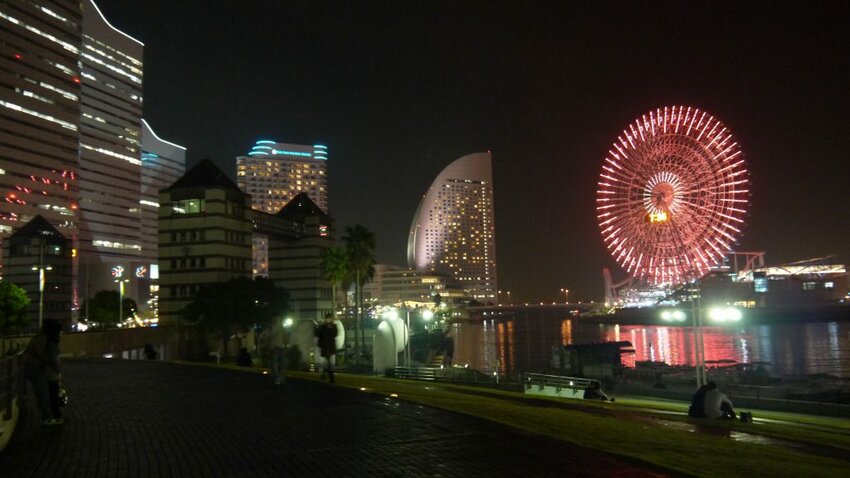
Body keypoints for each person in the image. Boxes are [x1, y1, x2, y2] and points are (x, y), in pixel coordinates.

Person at [23, 319, 64, 425]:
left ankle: (47, 416)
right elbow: (44, 354)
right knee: (43, 393)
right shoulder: (45, 339)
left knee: (43, 393)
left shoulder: (40, 337)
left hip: (31, 367)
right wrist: (54, 366)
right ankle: (47, 418)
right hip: (34, 368)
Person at [262, 320, 288, 385]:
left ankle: (280, 378)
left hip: (280, 347)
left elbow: (285, 336)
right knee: (275, 365)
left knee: (282, 364)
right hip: (274, 348)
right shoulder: (270, 329)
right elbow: (267, 338)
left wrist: (286, 345)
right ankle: (277, 378)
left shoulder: (281, 328)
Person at [315, 313, 338, 383]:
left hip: (329, 347)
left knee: (328, 363)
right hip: (325, 347)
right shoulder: (324, 327)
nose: (327, 320)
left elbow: (335, 334)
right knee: (327, 363)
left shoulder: (333, 326)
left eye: (328, 318)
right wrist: (319, 326)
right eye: (327, 318)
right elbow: (318, 334)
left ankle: (328, 376)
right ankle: (329, 377)